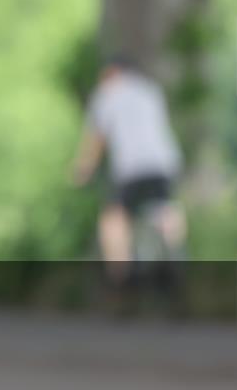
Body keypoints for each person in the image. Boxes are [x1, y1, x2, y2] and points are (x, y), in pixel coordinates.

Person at [71, 56, 186, 284]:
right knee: (165, 206)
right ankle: (174, 250)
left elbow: (96, 138)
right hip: (164, 163)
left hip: (131, 166)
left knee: (113, 217)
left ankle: (121, 276)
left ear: (112, 72)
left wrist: (82, 170)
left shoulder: (107, 93)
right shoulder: (150, 90)